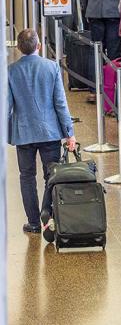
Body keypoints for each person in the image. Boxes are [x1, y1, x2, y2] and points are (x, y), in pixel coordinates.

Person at [9, 29, 76, 233]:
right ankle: (47, 213)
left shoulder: (11, 71)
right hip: (50, 132)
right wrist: (69, 132)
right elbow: (60, 103)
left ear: (19, 48)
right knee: (51, 175)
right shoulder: (51, 67)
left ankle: (33, 222)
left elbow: (7, 107)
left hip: (23, 133)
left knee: (26, 176)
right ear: (38, 46)